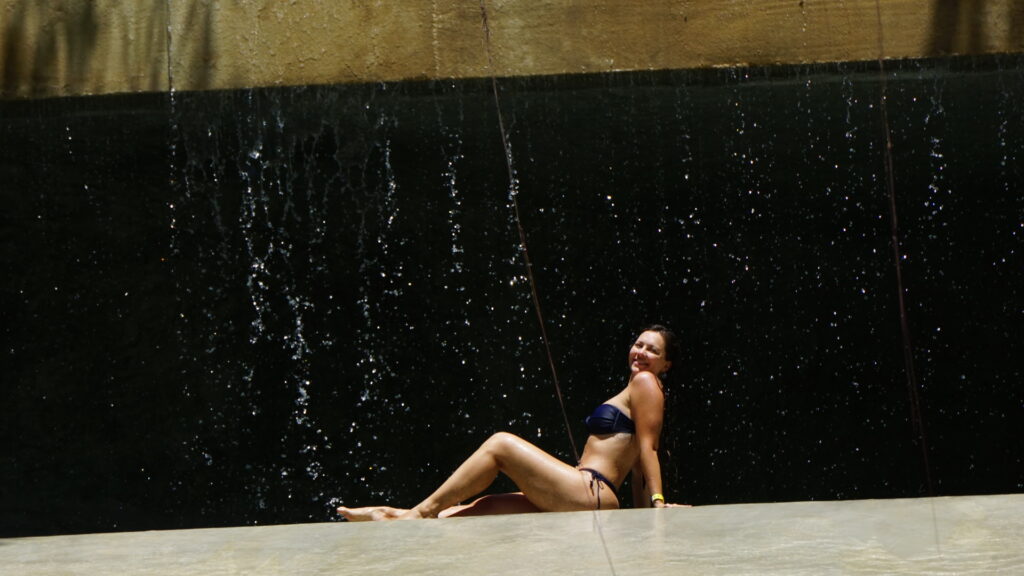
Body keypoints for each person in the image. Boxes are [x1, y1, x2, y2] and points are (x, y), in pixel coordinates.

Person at [337, 325, 681, 520]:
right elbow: (638, 467)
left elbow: (648, 449)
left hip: (590, 491)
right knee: (484, 508)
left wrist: (658, 503)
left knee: (500, 444)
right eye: (638, 344)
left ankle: (418, 513)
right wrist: (644, 519)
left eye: (652, 350)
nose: (641, 353)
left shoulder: (645, 383)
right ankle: (394, 514)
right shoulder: (639, 389)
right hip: (582, 489)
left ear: (666, 364)